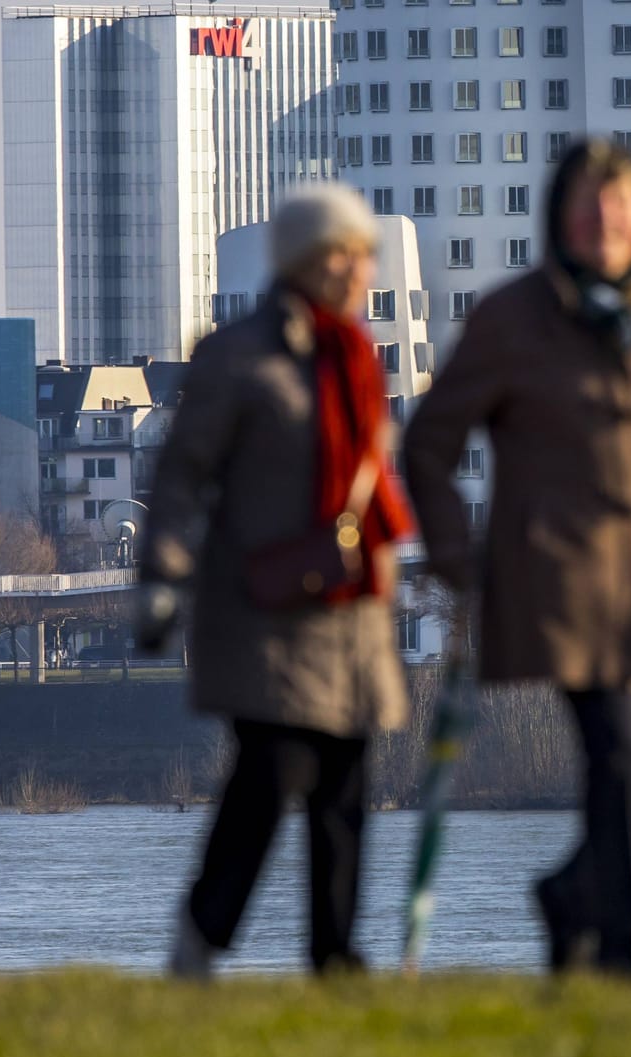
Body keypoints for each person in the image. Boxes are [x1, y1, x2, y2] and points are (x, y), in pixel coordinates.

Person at [402, 139, 631, 976]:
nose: (605, 221)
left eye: (619, 205)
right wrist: (453, 553)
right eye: (588, 205)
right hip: (566, 582)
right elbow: (429, 445)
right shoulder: (511, 318)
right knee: (622, 755)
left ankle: (572, 892)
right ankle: (627, 955)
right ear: (559, 216)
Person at [136, 185, 415, 977]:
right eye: (350, 253)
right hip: (262, 607)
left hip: (349, 609)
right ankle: (201, 941)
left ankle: (335, 960)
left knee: (344, 792)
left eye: (366, 254)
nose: (364, 269)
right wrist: (161, 577)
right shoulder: (239, 356)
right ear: (309, 260)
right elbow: (182, 475)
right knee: (268, 780)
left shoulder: (357, 355)